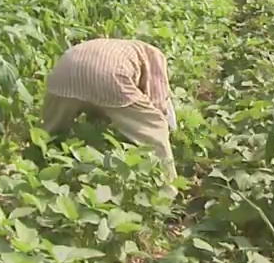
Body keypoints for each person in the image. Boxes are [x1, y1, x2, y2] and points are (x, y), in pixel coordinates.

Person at [42, 38, 179, 192]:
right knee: (155, 129)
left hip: (64, 69)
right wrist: (166, 128)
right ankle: (167, 189)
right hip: (109, 74)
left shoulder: (123, 47)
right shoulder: (156, 56)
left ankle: (39, 168)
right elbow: (158, 100)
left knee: (49, 132)